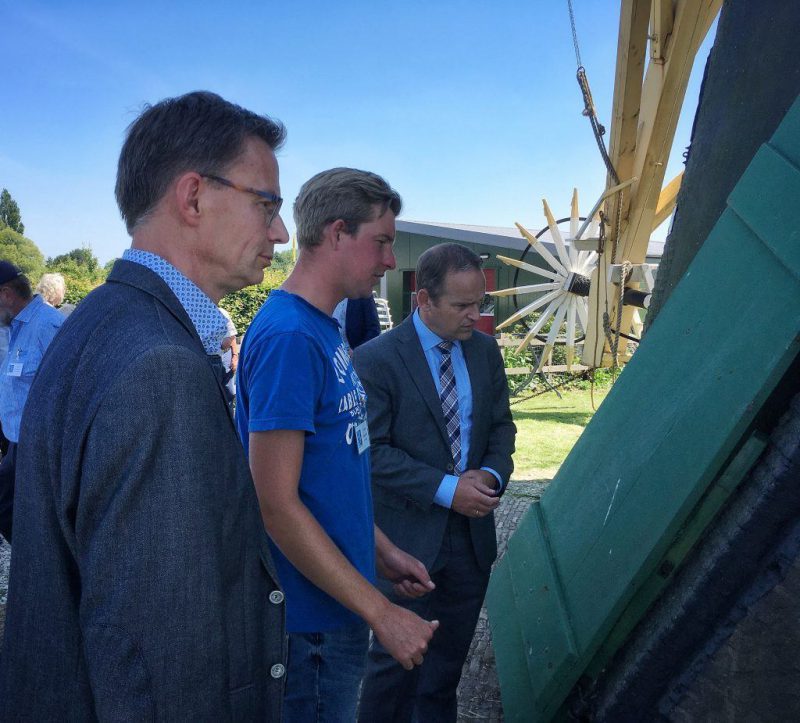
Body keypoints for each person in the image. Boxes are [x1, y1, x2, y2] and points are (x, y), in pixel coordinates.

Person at [1, 91, 289, 720]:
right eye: (266, 203)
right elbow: (161, 663)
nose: (280, 232)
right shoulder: (160, 367)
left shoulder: (102, 323)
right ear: (192, 197)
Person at [236, 167, 439, 722]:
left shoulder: (323, 329)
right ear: (336, 232)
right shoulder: (291, 337)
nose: (391, 262)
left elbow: (328, 481)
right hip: (309, 626)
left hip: (336, 608)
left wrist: (383, 553)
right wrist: (384, 613)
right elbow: (274, 503)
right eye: (382, 242)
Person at [354, 242, 516, 722]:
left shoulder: (484, 352)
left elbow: (502, 426)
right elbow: (371, 453)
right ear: (424, 299)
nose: (475, 316)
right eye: (462, 306)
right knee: (393, 671)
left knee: (445, 672)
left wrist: (489, 475)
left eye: (480, 304)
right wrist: (449, 489)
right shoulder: (376, 360)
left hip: (470, 545)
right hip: (407, 545)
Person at [0, 261, 64, 543]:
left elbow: (69, 387)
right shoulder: (17, 326)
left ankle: (43, 567)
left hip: (39, 446)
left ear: (5, 294)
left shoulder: (47, 325)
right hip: (18, 442)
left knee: (14, 507)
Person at [218, 306, 238, 411]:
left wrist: (234, 357)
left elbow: (232, 335)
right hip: (210, 356)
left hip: (226, 356)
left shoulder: (222, 313)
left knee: (229, 391)